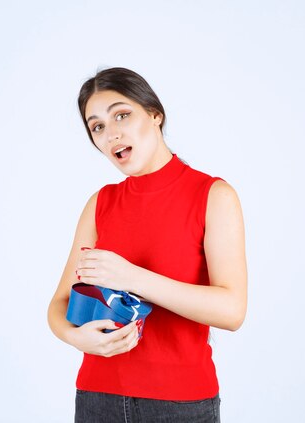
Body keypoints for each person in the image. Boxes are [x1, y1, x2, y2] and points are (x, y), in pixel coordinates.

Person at [47, 67, 248, 423]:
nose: (112, 134)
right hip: (97, 397)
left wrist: (132, 277)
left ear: (155, 114)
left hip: (180, 405)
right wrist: (77, 339)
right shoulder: (100, 204)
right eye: (97, 127)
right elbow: (60, 304)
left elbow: (232, 311)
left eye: (121, 115)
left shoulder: (213, 196)